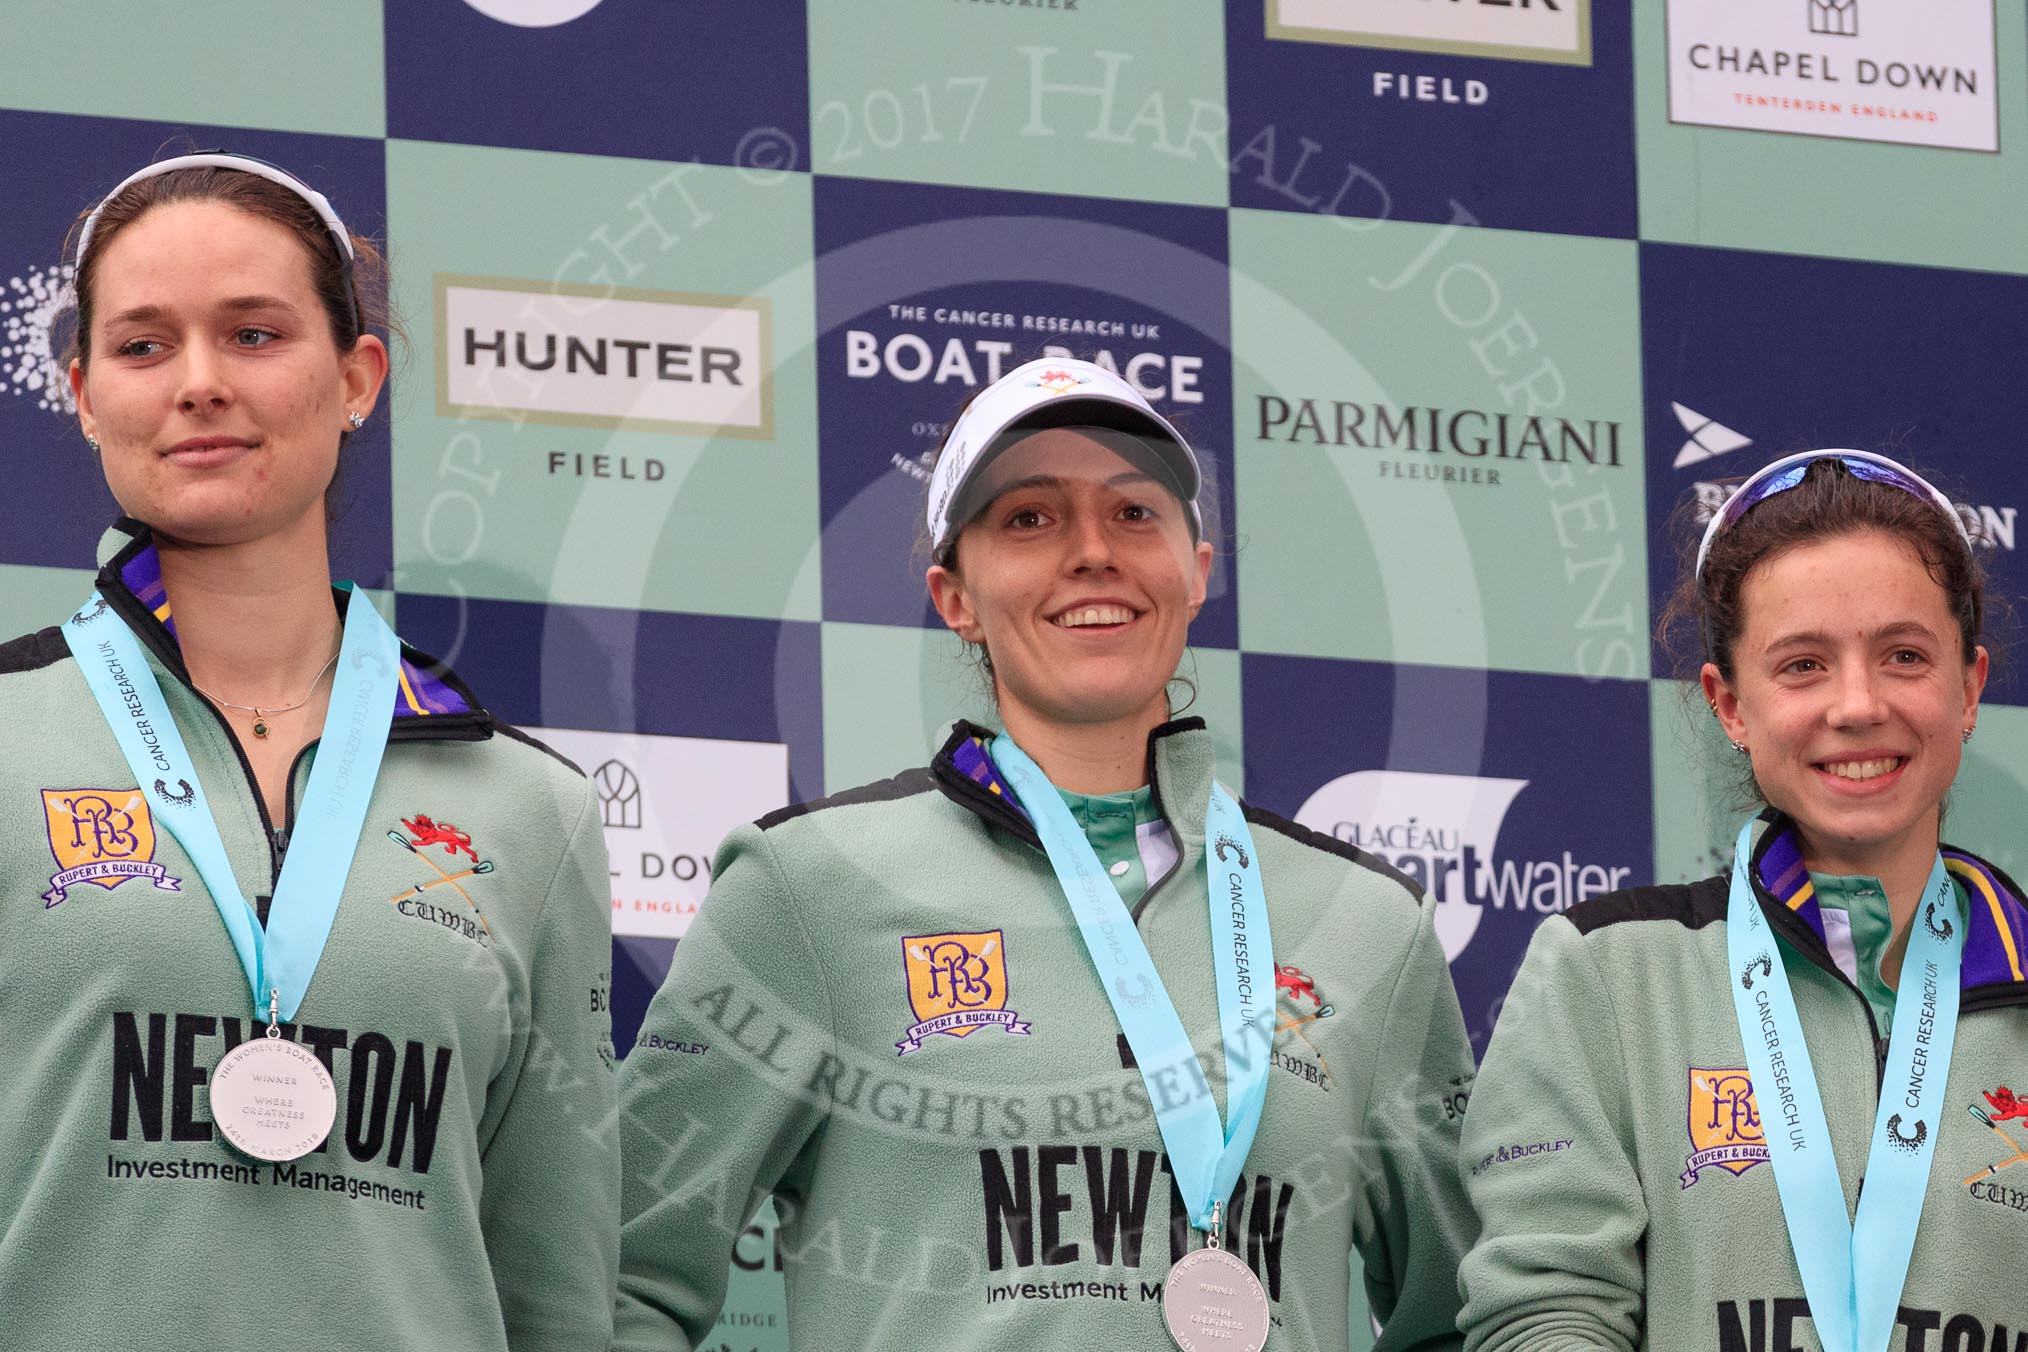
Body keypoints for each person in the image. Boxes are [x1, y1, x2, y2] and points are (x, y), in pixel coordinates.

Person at [615, 356, 1476, 1350]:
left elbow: (1469, 1315)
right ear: (956, 595)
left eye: (1135, 512)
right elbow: (619, 1277)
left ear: (1198, 570)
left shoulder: (1367, 924)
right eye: (1029, 517)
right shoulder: (809, 885)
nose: (1093, 551)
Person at [0, 153, 618, 1349]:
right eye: (143, 345)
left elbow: (557, 1295)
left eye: (253, 333)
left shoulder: (530, 807)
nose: (199, 383)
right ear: (83, 394)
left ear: (356, 378)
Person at [1459, 451, 2028, 1351]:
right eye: (1803, 664)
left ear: (1968, 687)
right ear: (1730, 705)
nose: (1857, 704)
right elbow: (1542, 1310)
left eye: (1905, 656)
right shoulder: (1608, 973)